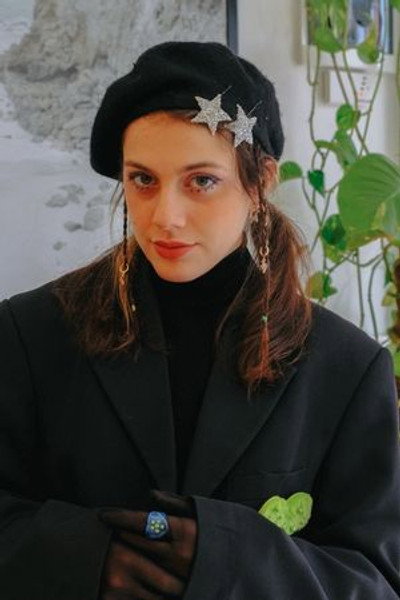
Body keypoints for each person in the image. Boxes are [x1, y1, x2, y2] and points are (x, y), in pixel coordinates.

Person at [0, 40, 399, 600]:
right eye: (143, 180)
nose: (165, 216)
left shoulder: (347, 370)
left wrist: (232, 556)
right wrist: (83, 557)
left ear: (260, 183)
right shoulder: (30, 335)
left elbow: (376, 580)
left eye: (201, 181)